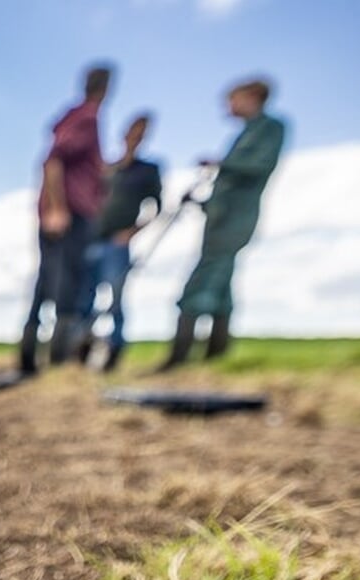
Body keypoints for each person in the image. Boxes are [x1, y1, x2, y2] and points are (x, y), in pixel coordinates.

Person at [160, 78, 286, 370]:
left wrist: (219, 165)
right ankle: (216, 355)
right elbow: (230, 186)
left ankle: (178, 358)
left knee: (199, 284)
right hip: (220, 219)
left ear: (253, 96)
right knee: (221, 287)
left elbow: (259, 167)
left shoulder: (270, 128)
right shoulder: (243, 134)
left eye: (234, 99)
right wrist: (201, 201)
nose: (228, 106)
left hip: (234, 221)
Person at [17, 64, 112, 376]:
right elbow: (53, 160)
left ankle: (32, 363)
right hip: (69, 215)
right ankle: (56, 365)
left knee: (48, 282)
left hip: (63, 213)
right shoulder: (87, 118)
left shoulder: (76, 117)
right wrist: (58, 208)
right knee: (66, 285)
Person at [76, 113, 162, 371]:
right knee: (85, 297)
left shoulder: (148, 170)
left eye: (142, 132)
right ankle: (81, 351)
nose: (135, 137)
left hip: (117, 243)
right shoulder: (107, 168)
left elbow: (156, 207)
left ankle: (114, 353)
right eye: (133, 130)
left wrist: (132, 232)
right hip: (92, 240)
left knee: (115, 299)